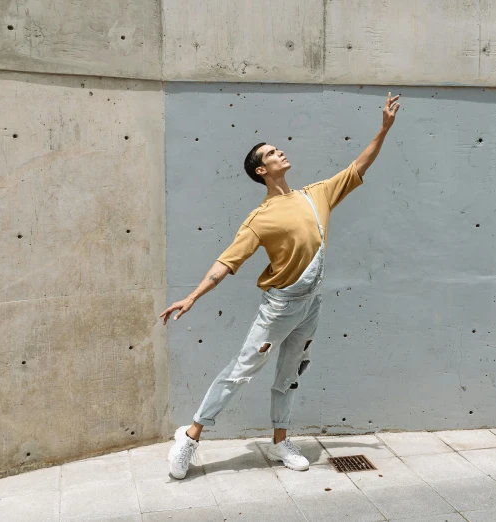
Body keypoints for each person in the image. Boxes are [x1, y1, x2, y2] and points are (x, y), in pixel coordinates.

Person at [160, 92, 402, 479]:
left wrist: (384, 128)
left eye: (277, 149)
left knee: (290, 373)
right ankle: (190, 438)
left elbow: (359, 166)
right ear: (261, 170)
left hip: (311, 304)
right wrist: (192, 297)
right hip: (280, 307)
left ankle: (279, 443)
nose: (280, 153)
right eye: (272, 153)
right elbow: (227, 261)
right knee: (241, 371)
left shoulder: (316, 195)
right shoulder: (261, 217)